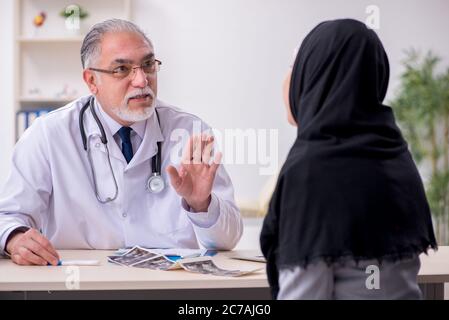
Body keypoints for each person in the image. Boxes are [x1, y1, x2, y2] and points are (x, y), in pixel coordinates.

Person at [0, 19, 243, 266]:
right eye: (122, 69)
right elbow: (7, 216)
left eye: (148, 65)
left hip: (168, 287)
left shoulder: (190, 131)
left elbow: (229, 239)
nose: (141, 81)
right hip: (81, 286)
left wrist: (201, 204)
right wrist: (15, 238)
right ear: (92, 81)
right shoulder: (49, 134)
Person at [260, 19, 437, 300]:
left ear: (317, 77)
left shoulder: (311, 171)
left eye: (296, 67)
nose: (287, 80)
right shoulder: (396, 155)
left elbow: (305, 295)